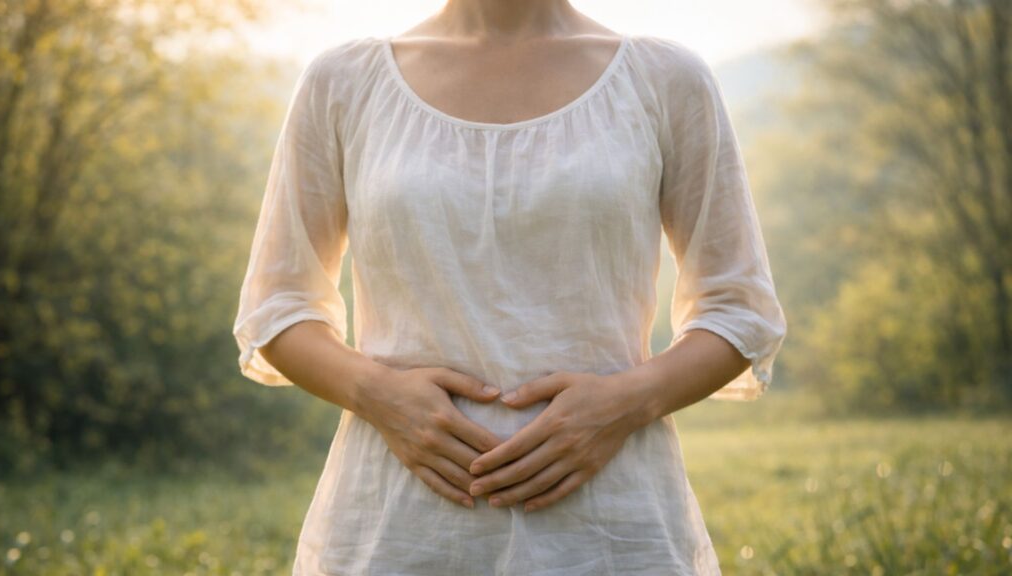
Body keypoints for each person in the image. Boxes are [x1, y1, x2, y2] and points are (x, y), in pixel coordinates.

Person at [232, 0, 787, 574]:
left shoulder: (665, 80)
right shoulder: (344, 82)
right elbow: (277, 308)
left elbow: (738, 310)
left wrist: (624, 403)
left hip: (611, 531)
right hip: (397, 531)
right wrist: (378, 394)